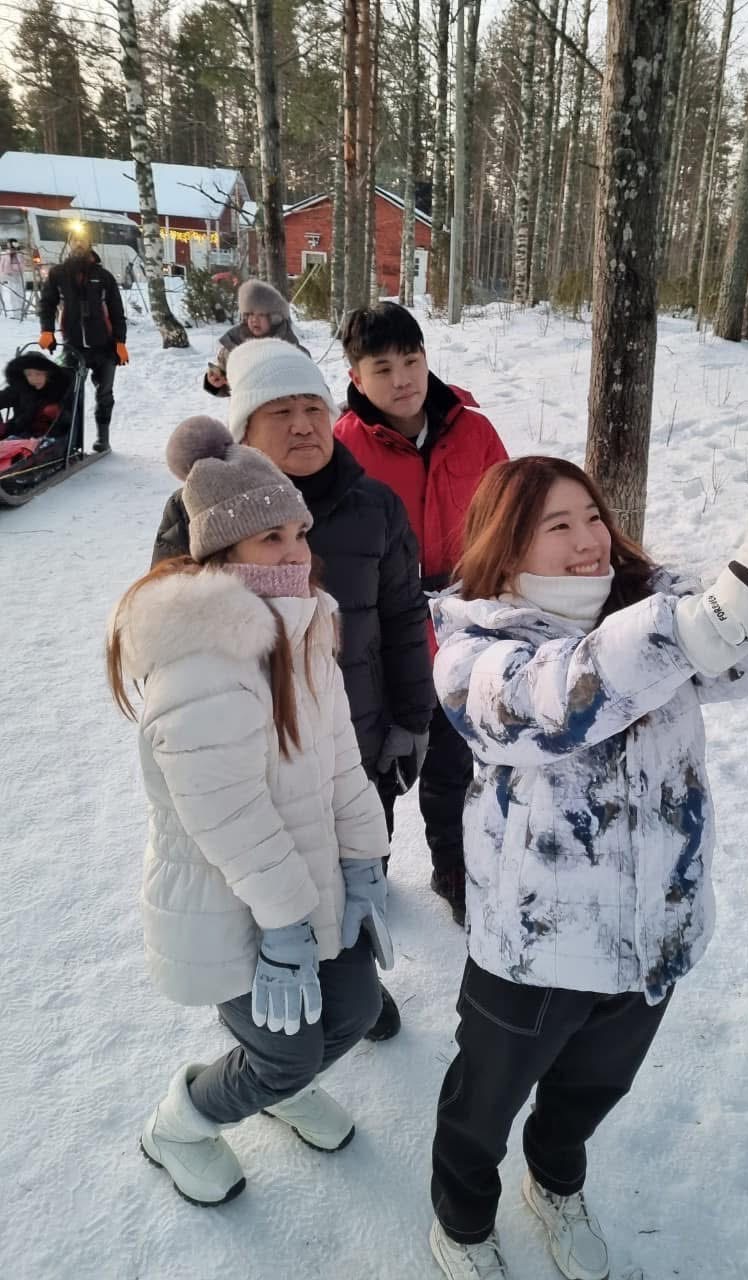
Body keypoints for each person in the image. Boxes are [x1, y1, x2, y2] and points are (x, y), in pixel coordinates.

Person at [426, 455, 748, 1280]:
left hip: (652, 936)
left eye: (593, 517)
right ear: (507, 544)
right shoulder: (476, 652)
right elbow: (555, 704)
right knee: (481, 1106)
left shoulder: (657, 614)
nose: (589, 540)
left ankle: (554, 1182)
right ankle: (461, 1223)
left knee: (589, 1093)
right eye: (558, 525)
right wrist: (700, 623)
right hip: (532, 954)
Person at [108, 416, 392, 1207]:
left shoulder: (303, 622)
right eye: (272, 538)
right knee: (283, 1052)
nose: (297, 551)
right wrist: (284, 923)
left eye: (299, 532)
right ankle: (182, 1124)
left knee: (356, 1008)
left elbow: (341, 758)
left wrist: (364, 859)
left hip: (302, 880)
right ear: (221, 551)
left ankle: (277, 1088)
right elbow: (227, 815)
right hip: (233, 900)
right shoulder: (199, 659)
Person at [152, 338, 434, 1041]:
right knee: (261, 875)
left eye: (315, 407)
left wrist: (412, 717)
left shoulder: (375, 504)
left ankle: (352, 981)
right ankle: (269, 1016)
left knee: (357, 865)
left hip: (356, 738)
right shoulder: (195, 510)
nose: (304, 425)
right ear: (244, 428)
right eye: (281, 412)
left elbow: (405, 615)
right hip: (251, 752)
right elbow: (169, 625)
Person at [336, 302, 509, 925]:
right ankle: (368, 874)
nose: (402, 379)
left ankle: (453, 865)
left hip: (462, 625)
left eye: (410, 361)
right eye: (382, 369)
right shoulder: (341, 447)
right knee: (374, 764)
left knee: (453, 760)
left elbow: (507, 515)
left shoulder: (473, 430)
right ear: (356, 378)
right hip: (380, 633)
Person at [38, 229, 127, 454]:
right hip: (73, 345)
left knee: (104, 394)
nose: (79, 244)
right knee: (69, 394)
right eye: (75, 240)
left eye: (83, 240)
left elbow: (117, 310)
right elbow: (47, 304)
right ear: (69, 243)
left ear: (90, 244)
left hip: (104, 347)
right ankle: (69, 443)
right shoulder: (58, 274)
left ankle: (103, 439)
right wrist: (47, 330)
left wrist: (120, 342)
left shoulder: (103, 276)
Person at [203, 278, 310, 397]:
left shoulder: (292, 351)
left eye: (261, 314)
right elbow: (226, 382)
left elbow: (310, 385)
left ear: (274, 318)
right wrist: (215, 383)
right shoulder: (233, 344)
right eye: (250, 314)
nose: (254, 319)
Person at [0, 352, 75, 444]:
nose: (34, 379)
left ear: (48, 374)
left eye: (38, 374)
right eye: (29, 374)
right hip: (17, 432)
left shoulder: (59, 391)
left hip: (46, 439)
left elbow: (65, 421)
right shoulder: (21, 389)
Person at [0, 239, 26, 317]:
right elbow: (2, 265)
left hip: (17, 276)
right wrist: (2, 275)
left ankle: (19, 313)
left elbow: (21, 266)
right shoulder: (5, 254)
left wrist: (13, 268)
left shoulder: (19, 254)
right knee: (11, 295)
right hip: (7, 276)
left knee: (18, 294)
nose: (8, 245)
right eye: (8, 244)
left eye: (9, 244)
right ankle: (15, 314)